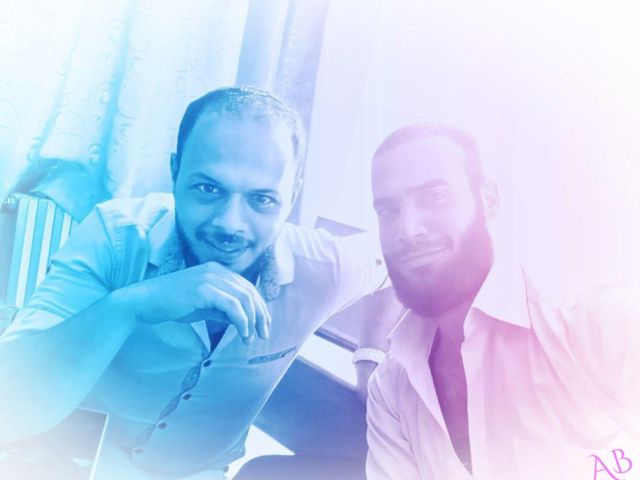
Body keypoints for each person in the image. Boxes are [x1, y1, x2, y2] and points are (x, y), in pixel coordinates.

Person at [0, 86, 387, 479]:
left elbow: (399, 257)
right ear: (175, 172)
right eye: (208, 189)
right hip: (72, 462)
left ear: (293, 195)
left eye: (261, 199)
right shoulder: (115, 237)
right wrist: (131, 306)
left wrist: (369, 355)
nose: (230, 224)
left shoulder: (322, 266)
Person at [366, 123, 640, 480]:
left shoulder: (586, 322)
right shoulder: (391, 387)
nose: (407, 229)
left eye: (435, 196)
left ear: (490, 201)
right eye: (388, 211)